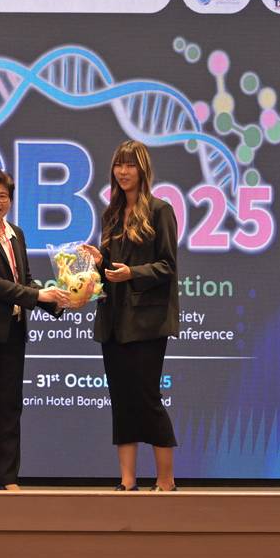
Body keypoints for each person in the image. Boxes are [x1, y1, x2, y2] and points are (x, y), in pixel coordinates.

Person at [0, 166, 70, 491]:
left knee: (10, 407)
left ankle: (9, 478)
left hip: (12, 331)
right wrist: (39, 296)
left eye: (2, 196)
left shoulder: (15, 233)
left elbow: (24, 281)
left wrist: (58, 300)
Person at [82, 140, 180, 492]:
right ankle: (127, 480)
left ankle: (166, 480)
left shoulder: (160, 210)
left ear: (143, 170)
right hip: (113, 320)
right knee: (121, 400)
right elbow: (111, 269)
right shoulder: (111, 212)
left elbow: (167, 266)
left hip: (147, 322)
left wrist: (132, 274)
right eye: (119, 165)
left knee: (147, 398)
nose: (123, 172)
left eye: (130, 165)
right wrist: (100, 261)